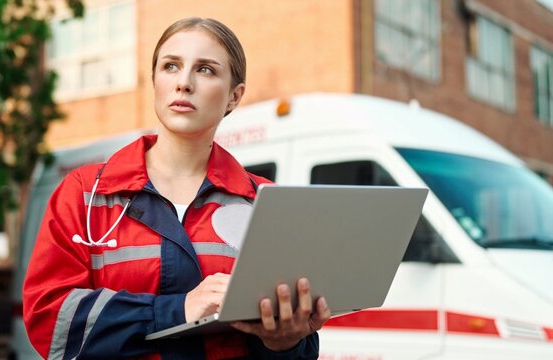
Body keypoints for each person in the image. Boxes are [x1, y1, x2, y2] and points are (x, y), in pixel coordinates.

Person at [23, 17, 331, 359]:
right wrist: (180, 309)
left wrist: (284, 343)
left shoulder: (265, 203)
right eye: (171, 66)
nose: (184, 83)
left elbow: (298, 344)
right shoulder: (84, 193)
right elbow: (50, 320)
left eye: (206, 70)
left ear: (234, 96)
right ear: (154, 79)